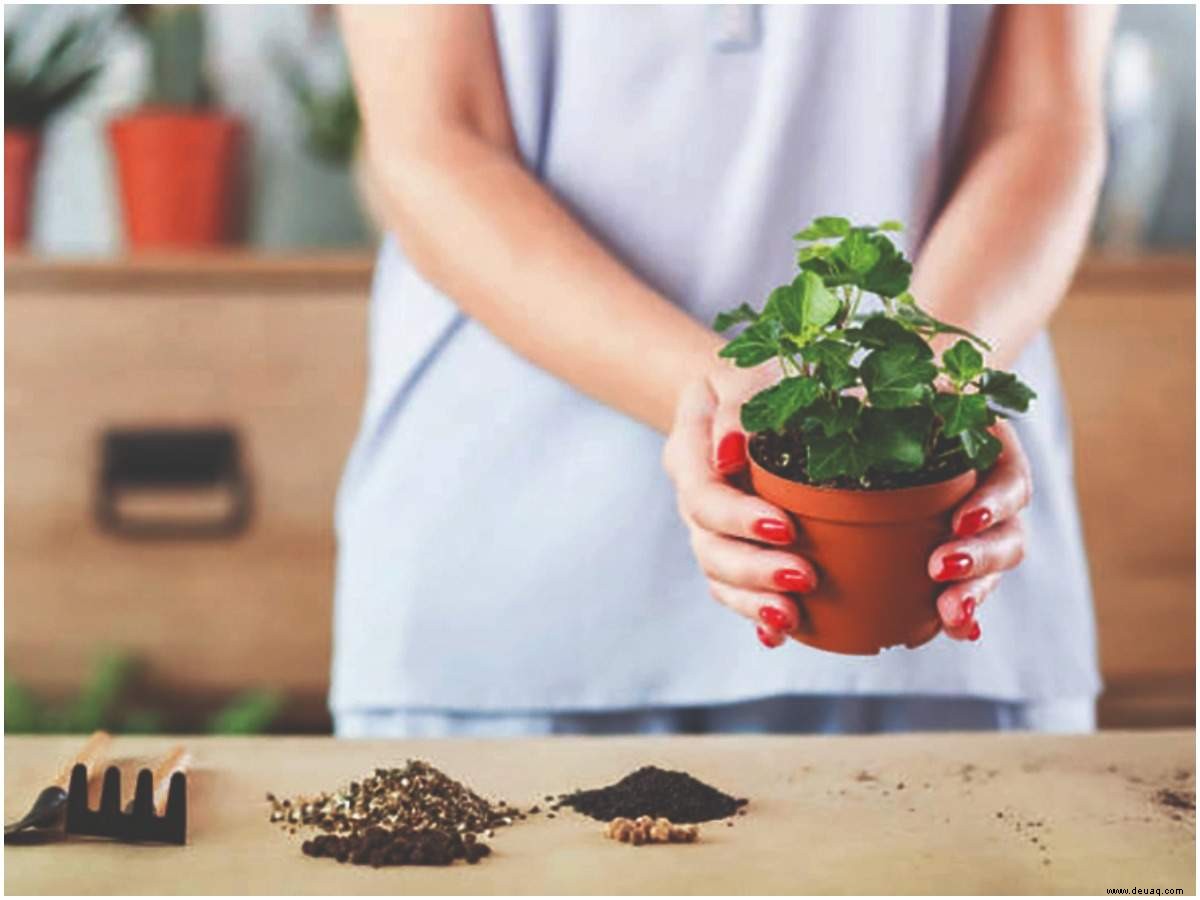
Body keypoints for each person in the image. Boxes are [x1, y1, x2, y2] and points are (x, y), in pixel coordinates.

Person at [332, 5, 1113, 738]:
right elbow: (433, 138)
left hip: (932, 600)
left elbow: (1043, 121)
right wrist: (726, 399)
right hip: (506, 592)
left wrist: (935, 387)